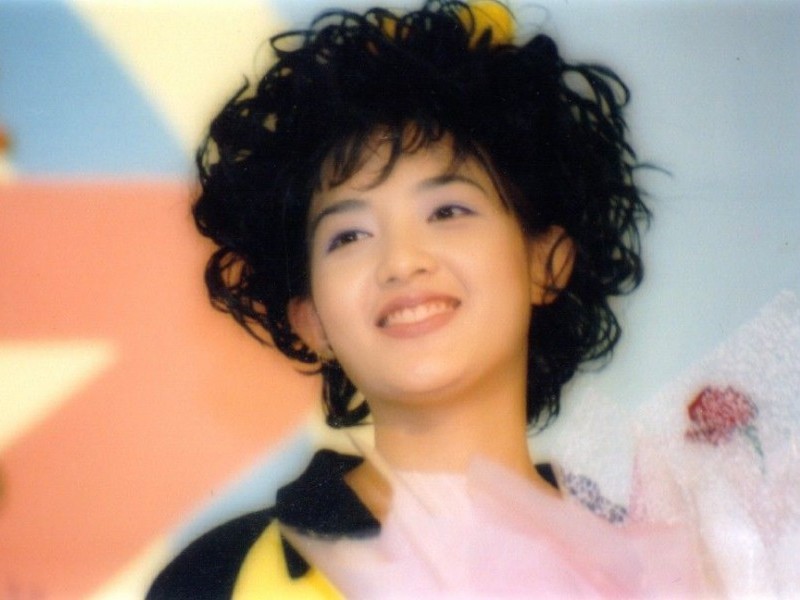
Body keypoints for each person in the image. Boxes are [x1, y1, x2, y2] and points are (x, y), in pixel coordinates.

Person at [148, 1, 710, 597]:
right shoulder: (224, 575)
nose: (402, 260)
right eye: (349, 236)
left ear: (547, 263)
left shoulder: (660, 563)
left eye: (447, 211)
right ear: (312, 321)